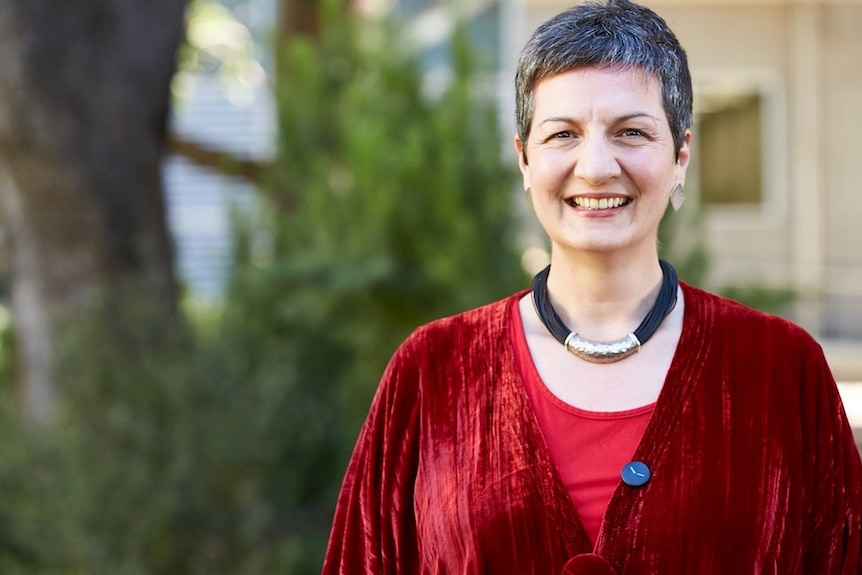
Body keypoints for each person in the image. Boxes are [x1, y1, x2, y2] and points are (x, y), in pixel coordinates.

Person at [321, 0, 862, 572]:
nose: (597, 166)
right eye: (563, 135)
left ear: (681, 155)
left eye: (631, 132)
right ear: (524, 159)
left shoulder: (780, 369)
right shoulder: (431, 372)